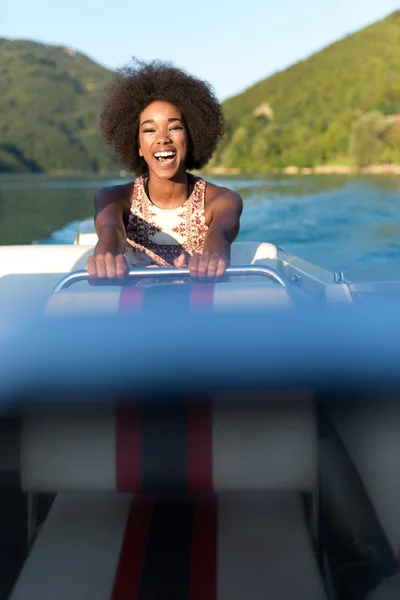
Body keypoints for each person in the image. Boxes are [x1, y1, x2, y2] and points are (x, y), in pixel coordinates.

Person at [85, 59, 243, 281]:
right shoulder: (113, 198)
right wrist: (106, 258)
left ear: (190, 137)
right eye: (149, 130)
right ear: (137, 145)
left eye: (174, 127)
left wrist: (212, 259)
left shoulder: (223, 200)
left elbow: (220, 235)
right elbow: (111, 231)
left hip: (197, 308)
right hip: (134, 310)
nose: (162, 139)